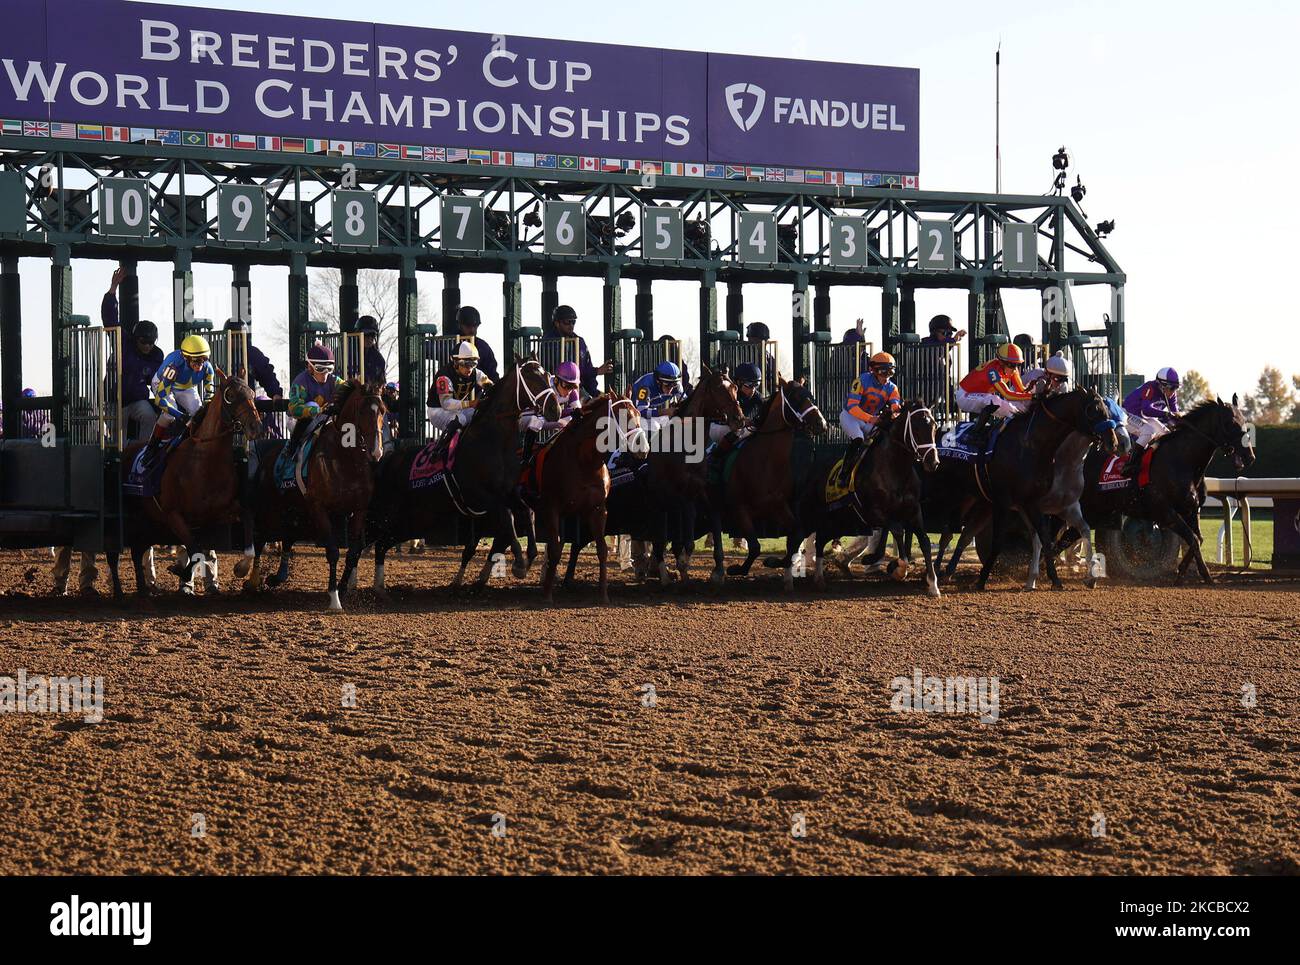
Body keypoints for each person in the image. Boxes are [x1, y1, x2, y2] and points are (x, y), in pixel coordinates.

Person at [101, 267, 165, 443]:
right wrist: (113, 288)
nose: (147, 346)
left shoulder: (157, 356)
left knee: (150, 417)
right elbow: (110, 319)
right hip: (113, 401)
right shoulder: (124, 343)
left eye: (151, 342)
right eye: (143, 342)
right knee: (117, 442)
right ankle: (117, 461)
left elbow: (157, 383)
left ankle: (142, 451)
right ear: (136, 339)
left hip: (137, 401)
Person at [143, 334, 215, 462]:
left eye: (203, 359)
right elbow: (160, 399)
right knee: (169, 415)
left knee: (198, 413)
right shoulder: (174, 365)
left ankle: (196, 443)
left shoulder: (207, 368)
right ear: (185, 357)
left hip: (186, 386)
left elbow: (210, 393)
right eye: (196, 360)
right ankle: (152, 446)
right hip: (163, 384)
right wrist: (180, 415)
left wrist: (207, 404)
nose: (200, 364)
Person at [838, 351, 902, 485]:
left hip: (870, 419)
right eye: (884, 372)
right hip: (851, 417)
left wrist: (895, 410)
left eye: (890, 373)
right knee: (858, 438)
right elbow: (852, 407)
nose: (887, 377)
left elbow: (895, 404)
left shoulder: (892, 387)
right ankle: (844, 473)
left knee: (883, 439)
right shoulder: (861, 381)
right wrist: (871, 419)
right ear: (874, 370)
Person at [955, 343, 1034, 449]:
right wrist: (1031, 396)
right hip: (964, 396)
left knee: (1017, 410)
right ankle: (972, 435)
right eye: (1011, 365)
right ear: (1001, 362)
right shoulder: (992, 370)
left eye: (1017, 364)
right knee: (994, 400)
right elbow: (1007, 395)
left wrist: (1032, 392)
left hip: (981, 395)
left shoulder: (1013, 370)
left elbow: (1021, 391)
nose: (1014, 368)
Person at [283, 343, 346, 466]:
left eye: (329, 369)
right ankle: (292, 447)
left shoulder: (334, 380)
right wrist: (315, 411)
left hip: (322, 418)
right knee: (313, 405)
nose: (325, 373)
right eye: (320, 369)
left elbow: (349, 388)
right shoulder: (300, 382)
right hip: (296, 420)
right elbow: (294, 408)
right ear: (310, 367)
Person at [1121, 366, 1180, 477]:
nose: (1173, 392)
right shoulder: (1150, 388)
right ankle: (1130, 463)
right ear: (1162, 385)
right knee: (1149, 432)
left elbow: (1175, 415)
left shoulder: (1171, 395)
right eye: (1172, 388)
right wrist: (1166, 414)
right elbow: (1146, 410)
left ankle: (1155, 462)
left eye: (1176, 388)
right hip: (1127, 414)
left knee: (1166, 435)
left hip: (1143, 417)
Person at [426, 340, 493, 437]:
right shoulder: (444, 377)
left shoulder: (476, 373)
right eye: (466, 364)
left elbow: (490, 385)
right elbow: (446, 403)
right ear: (456, 363)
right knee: (460, 419)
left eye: (473, 364)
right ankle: (441, 448)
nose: (469, 369)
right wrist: (471, 403)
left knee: (480, 414)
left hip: (456, 408)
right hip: (437, 410)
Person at [549, 305, 612, 398]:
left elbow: (587, 366)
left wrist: (596, 393)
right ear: (557, 323)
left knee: (608, 403)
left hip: (581, 389)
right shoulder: (549, 342)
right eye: (567, 322)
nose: (571, 325)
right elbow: (567, 372)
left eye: (573, 322)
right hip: (562, 390)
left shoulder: (580, 342)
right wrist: (597, 371)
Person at [222, 318, 282, 399]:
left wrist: (275, 393)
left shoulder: (252, 354)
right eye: (233, 336)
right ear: (226, 337)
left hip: (246, 403)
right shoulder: (218, 351)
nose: (238, 340)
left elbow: (267, 374)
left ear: (246, 336)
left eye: (241, 336)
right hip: (221, 402)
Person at [631, 360, 684, 432]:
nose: (671, 388)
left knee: (673, 422)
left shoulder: (677, 386)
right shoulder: (645, 386)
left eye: (673, 384)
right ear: (658, 382)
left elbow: (686, 403)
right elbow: (641, 412)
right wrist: (665, 411)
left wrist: (679, 406)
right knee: (655, 426)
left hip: (652, 411)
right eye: (666, 384)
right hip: (634, 414)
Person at [450, 306, 498, 381]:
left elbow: (492, 373)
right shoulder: (448, 344)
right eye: (468, 326)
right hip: (450, 390)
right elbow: (427, 348)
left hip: (476, 391)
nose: (472, 330)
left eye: (475, 326)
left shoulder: (483, 347)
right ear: (459, 325)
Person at [746, 321, 778, 390]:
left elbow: (775, 379)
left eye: (765, 340)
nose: (764, 343)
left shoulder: (768, 357)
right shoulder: (742, 354)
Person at [356, 315, 388, 384]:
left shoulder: (379, 359)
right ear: (357, 334)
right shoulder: (347, 354)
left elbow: (382, 383)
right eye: (366, 334)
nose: (370, 339)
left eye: (373, 335)